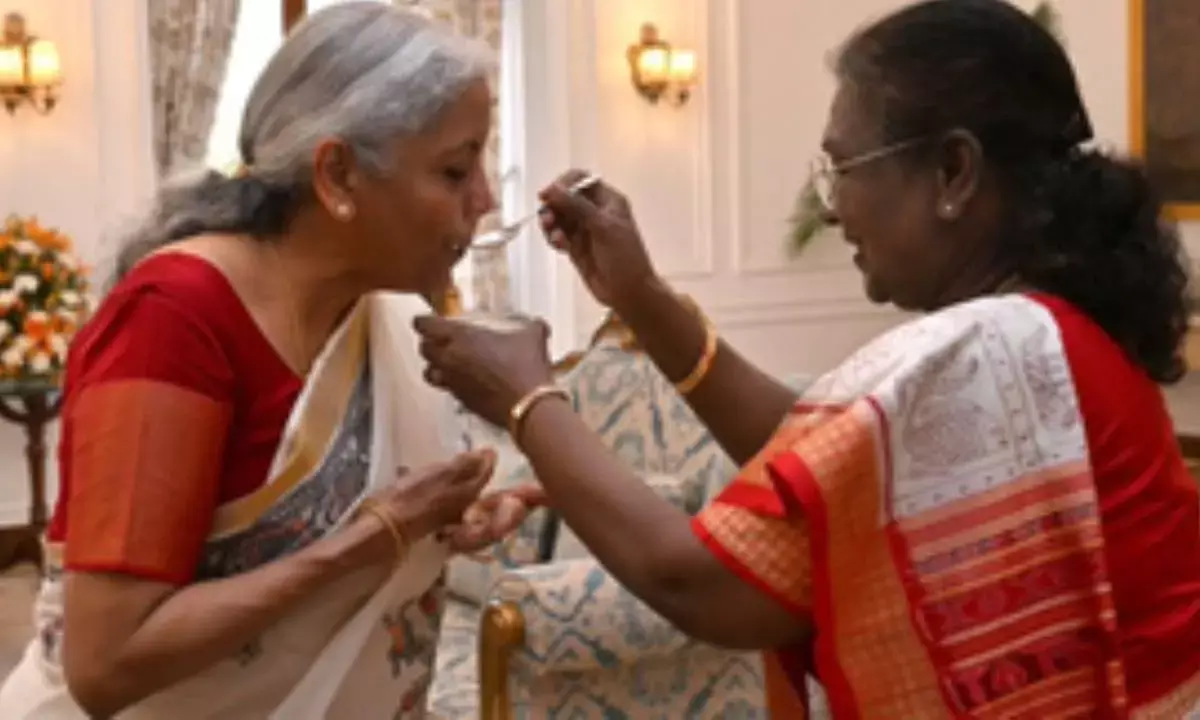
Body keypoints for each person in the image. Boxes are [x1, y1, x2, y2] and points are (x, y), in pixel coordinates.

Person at [414, 1, 1200, 717]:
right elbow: (820, 468)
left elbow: (696, 583)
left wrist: (526, 398)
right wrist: (642, 298)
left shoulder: (986, 349)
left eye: (843, 168)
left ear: (953, 173)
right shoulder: (1041, 333)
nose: (830, 205)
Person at [0, 4, 544, 719]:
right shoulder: (175, 319)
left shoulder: (378, 310)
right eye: (454, 169)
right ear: (339, 175)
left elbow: (360, 515)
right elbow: (107, 664)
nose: (484, 198)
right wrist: (375, 539)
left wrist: (444, 522)